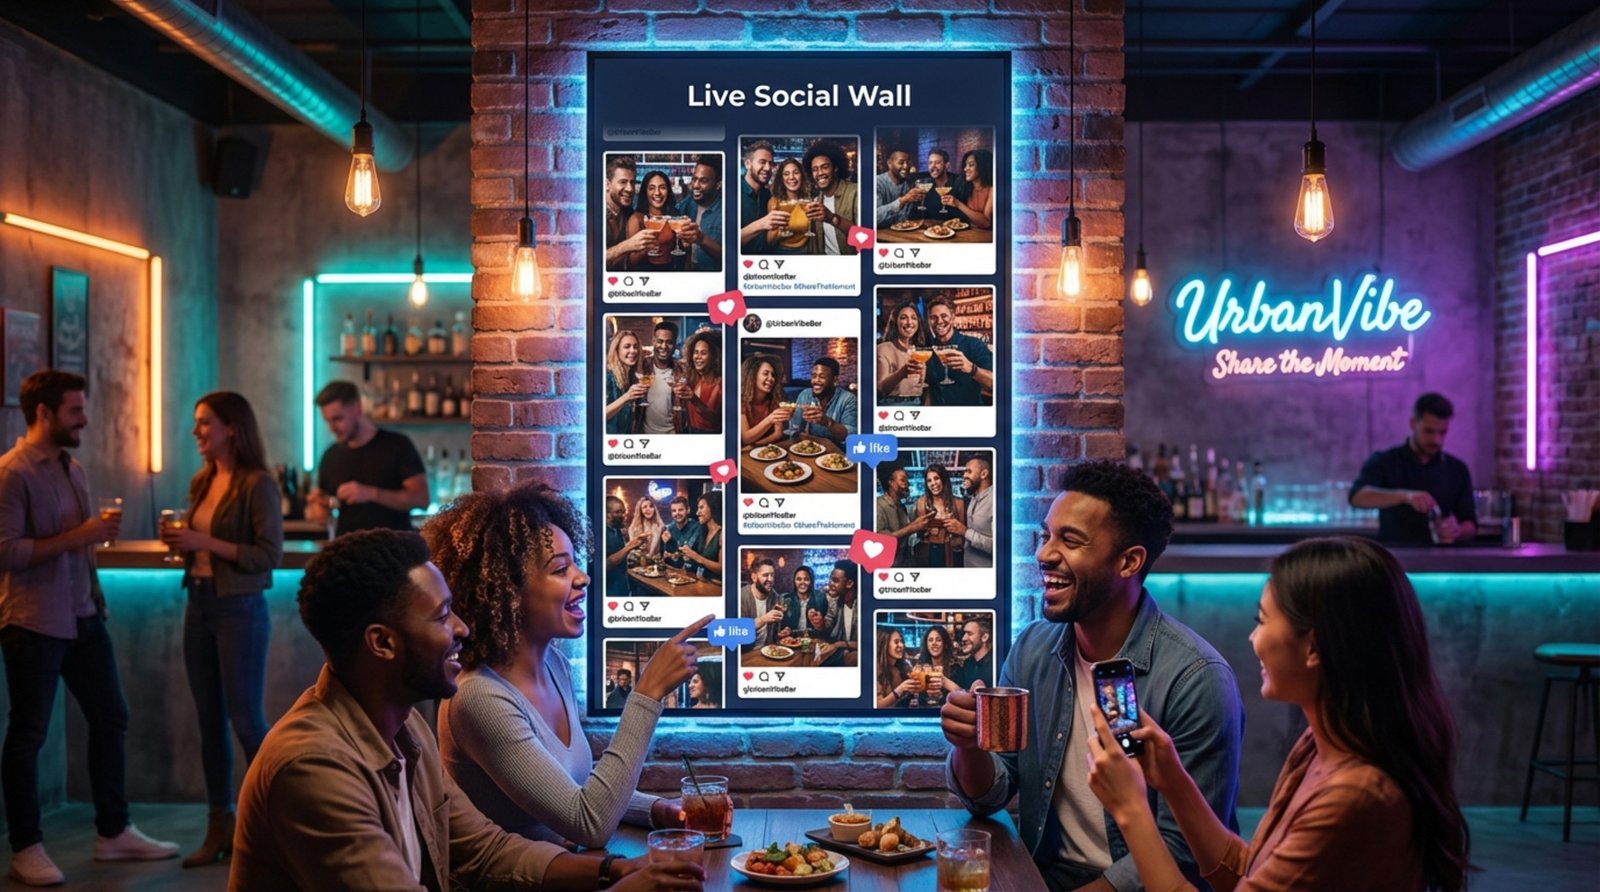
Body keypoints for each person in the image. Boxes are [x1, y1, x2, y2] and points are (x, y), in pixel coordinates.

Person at [231, 529, 703, 891]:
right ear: (382, 643)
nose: (461, 628)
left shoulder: (404, 729)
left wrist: (614, 870)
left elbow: (486, 850)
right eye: (441, 616)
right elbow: (585, 819)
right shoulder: (313, 768)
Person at [1086, 537, 1472, 892]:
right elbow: (1250, 873)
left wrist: (1131, 809)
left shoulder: (1355, 797)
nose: (1253, 638)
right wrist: (1173, 780)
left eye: (1262, 620)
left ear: (1313, 647)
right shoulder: (1318, 744)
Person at [941, 459, 1244, 892]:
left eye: (1070, 540)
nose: (1044, 554)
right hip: (1043, 876)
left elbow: (1184, 851)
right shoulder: (1033, 649)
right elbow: (992, 794)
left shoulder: (1196, 679)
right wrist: (968, 746)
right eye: (1046, 536)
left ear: (1129, 562)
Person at [425, 483, 711, 847]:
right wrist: (648, 692)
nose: (583, 577)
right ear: (508, 590)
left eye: (575, 563)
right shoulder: (479, 697)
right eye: (561, 569)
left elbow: (570, 787)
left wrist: (657, 810)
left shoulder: (554, 665)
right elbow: (588, 822)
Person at [0, 371, 179, 885]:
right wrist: (83, 534)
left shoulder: (72, 468)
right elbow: (7, 552)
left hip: (82, 615)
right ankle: (26, 847)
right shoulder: (13, 474)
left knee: (111, 717)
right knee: (28, 734)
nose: (85, 419)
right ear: (44, 413)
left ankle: (113, 832)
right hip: (32, 620)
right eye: (75, 410)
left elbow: (82, 549)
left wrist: (96, 592)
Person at [159, 392, 284, 868]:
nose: (196, 432)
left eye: (204, 422)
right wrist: (183, 545)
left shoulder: (258, 483)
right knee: (209, 722)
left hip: (240, 609)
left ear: (232, 427)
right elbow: (201, 546)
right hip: (199, 604)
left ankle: (275, 824)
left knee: (246, 720)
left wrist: (203, 541)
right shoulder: (202, 481)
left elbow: (268, 554)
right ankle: (219, 826)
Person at [1349, 392, 1477, 545]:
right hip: (1395, 555)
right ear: (1413, 423)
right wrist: (1405, 496)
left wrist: (1457, 531)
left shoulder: (1457, 469)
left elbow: (1470, 524)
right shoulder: (1385, 461)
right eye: (1429, 431)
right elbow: (1357, 497)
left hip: (1443, 557)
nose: (1436, 440)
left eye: (1442, 433)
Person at [305, 381, 429, 536]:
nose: (332, 428)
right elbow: (323, 508)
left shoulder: (397, 445)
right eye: (327, 421)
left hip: (393, 548)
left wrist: (371, 493)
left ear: (358, 409)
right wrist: (316, 509)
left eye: (337, 419)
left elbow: (421, 499)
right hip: (347, 548)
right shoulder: (330, 455)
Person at [925, 295, 995, 408]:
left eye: (944, 316)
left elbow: (996, 382)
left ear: (953, 317)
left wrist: (971, 369)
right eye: (933, 317)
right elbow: (931, 389)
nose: (939, 321)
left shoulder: (974, 345)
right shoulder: (928, 349)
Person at [801, 140, 859, 256]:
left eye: (825, 167)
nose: (820, 173)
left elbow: (867, 238)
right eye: (815, 169)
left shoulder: (855, 192)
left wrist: (832, 218)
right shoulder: (817, 201)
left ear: (835, 168)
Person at [623, 171, 688, 272]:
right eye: (651, 188)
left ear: (668, 190)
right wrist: (647, 248)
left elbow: (683, 252)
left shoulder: (674, 217)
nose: (657, 193)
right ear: (645, 192)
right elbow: (631, 261)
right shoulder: (637, 219)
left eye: (662, 187)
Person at [784, 358, 858, 446]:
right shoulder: (805, 395)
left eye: (822, 377)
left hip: (838, 451)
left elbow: (851, 435)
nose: (815, 381)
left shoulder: (848, 399)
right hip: (813, 448)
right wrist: (786, 420)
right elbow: (794, 429)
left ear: (835, 381)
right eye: (814, 376)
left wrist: (827, 422)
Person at [604, 155, 655, 271]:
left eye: (632, 183)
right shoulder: (592, 213)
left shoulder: (629, 213)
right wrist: (628, 245)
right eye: (623, 182)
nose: (630, 189)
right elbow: (587, 259)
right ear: (607, 184)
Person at [943, 455, 995, 569]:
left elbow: (999, 547)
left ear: (983, 474)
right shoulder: (974, 497)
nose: (964, 476)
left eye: (969, 472)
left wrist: (964, 531)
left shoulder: (995, 500)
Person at [876, 300, 931, 406]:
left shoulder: (918, 351)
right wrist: (902, 373)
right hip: (892, 405)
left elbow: (920, 388)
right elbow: (880, 389)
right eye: (903, 318)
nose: (909, 322)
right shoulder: (883, 349)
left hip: (917, 404)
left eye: (914, 318)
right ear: (895, 321)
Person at [674, 154, 723, 272]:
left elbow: (731, 256)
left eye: (703, 181)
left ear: (718, 185)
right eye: (694, 179)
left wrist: (701, 239)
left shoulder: (726, 210)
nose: (695, 185)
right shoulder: (690, 201)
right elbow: (673, 213)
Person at [738, 140, 787, 254]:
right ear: (748, 164)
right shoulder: (731, 192)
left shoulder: (767, 195)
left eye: (771, 163)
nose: (768, 168)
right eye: (762, 162)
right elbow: (724, 242)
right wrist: (761, 224)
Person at [875, 464, 927, 569]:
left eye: (907, 479)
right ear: (891, 483)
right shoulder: (878, 505)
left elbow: (904, 535)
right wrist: (913, 527)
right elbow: (882, 540)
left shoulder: (901, 506)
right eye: (903, 480)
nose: (908, 484)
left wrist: (920, 526)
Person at [914, 464, 965, 568]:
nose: (933, 483)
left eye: (936, 478)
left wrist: (953, 530)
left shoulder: (958, 503)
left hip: (953, 552)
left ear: (944, 479)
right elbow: (919, 534)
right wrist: (926, 531)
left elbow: (963, 535)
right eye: (929, 480)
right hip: (930, 552)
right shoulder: (921, 503)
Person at [673, 329, 722, 435]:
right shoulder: (694, 378)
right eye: (696, 352)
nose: (698, 357)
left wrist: (694, 399)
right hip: (689, 432)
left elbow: (714, 419)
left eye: (703, 353)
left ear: (714, 357)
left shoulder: (719, 383)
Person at [738, 353, 791, 448]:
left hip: (764, 449)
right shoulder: (740, 401)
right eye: (765, 374)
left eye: (773, 375)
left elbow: (778, 434)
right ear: (753, 376)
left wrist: (754, 446)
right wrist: (770, 419)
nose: (771, 379)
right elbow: (746, 438)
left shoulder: (774, 400)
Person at [603, 497, 649, 601]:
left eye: (623, 511)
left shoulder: (616, 529)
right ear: (607, 514)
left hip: (622, 586)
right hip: (610, 591)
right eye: (617, 512)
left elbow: (618, 552)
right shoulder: (602, 533)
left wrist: (636, 543)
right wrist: (629, 546)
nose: (622, 515)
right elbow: (605, 564)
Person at [640, 321, 681, 436]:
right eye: (659, 341)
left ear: (675, 344)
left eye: (669, 342)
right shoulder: (641, 366)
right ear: (653, 341)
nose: (663, 346)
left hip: (673, 434)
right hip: (644, 434)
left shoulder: (683, 370)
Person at [816, 560, 860, 666]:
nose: (830, 583)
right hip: (841, 653)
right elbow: (828, 624)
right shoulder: (835, 602)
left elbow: (868, 643)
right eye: (830, 579)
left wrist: (838, 644)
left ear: (849, 583)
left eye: (835, 580)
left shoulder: (863, 605)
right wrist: (820, 623)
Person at [766, 158, 814, 254]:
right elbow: (769, 241)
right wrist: (780, 230)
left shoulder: (808, 200)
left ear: (802, 176)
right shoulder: (775, 202)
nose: (791, 177)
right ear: (781, 179)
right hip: (783, 251)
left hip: (808, 250)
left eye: (796, 173)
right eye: (786, 174)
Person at [604, 330, 646, 436]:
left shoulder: (632, 376)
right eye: (627, 347)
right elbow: (598, 415)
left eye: (635, 347)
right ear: (616, 350)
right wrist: (627, 397)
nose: (633, 351)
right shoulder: (607, 376)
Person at [874, 149, 928, 227]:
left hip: (906, 231)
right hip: (882, 233)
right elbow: (874, 217)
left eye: (908, 163)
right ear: (889, 163)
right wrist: (902, 201)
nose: (906, 166)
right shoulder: (877, 183)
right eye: (901, 163)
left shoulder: (910, 182)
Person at [739, 558, 785, 647]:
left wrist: (781, 632)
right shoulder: (740, 596)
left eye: (772, 575)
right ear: (754, 577)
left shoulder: (775, 597)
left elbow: (774, 633)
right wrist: (764, 619)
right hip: (746, 652)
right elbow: (738, 631)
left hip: (768, 650)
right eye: (765, 575)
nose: (770, 579)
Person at [677, 493, 722, 580]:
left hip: (717, 585)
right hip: (701, 581)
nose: (697, 513)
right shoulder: (703, 530)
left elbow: (723, 569)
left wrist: (696, 557)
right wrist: (690, 557)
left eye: (701, 508)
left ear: (713, 508)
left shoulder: (723, 534)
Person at [948, 149, 995, 230]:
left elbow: (986, 223)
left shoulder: (992, 189)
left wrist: (958, 204)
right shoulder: (966, 186)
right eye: (966, 165)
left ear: (982, 167)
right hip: (970, 232)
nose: (965, 169)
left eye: (971, 165)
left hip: (987, 235)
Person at [920, 148, 971, 221]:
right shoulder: (926, 185)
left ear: (947, 165)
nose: (933, 166)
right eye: (930, 163)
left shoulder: (960, 181)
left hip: (957, 226)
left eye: (937, 162)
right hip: (932, 227)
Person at [874, 628, 920, 708]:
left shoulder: (905, 666)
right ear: (884, 644)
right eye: (896, 642)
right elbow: (878, 706)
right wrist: (900, 689)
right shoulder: (874, 669)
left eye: (901, 641)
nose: (901, 645)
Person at [946, 616, 994, 691]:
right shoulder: (968, 663)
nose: (963, 638)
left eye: (970, 634)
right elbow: (964, 693)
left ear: (984, 637)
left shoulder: (996, 664)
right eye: (964, 634)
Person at [659, 496, 703, 572]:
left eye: (680, 510)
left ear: (688, 510)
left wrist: (671, 542)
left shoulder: (696, 527)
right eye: (674, 511)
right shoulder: (668, 528)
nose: (677, 513)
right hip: (670, 571)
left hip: (690, 572)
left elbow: (686, 553)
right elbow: (664, 555)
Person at [920, 624, 961, 701]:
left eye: (938, 640)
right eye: (930, 640)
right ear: (926, 645)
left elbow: (963, 695)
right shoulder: (921, 669)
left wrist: (944, 681)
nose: (934, 643)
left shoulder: (955, 669)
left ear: (945, 644)